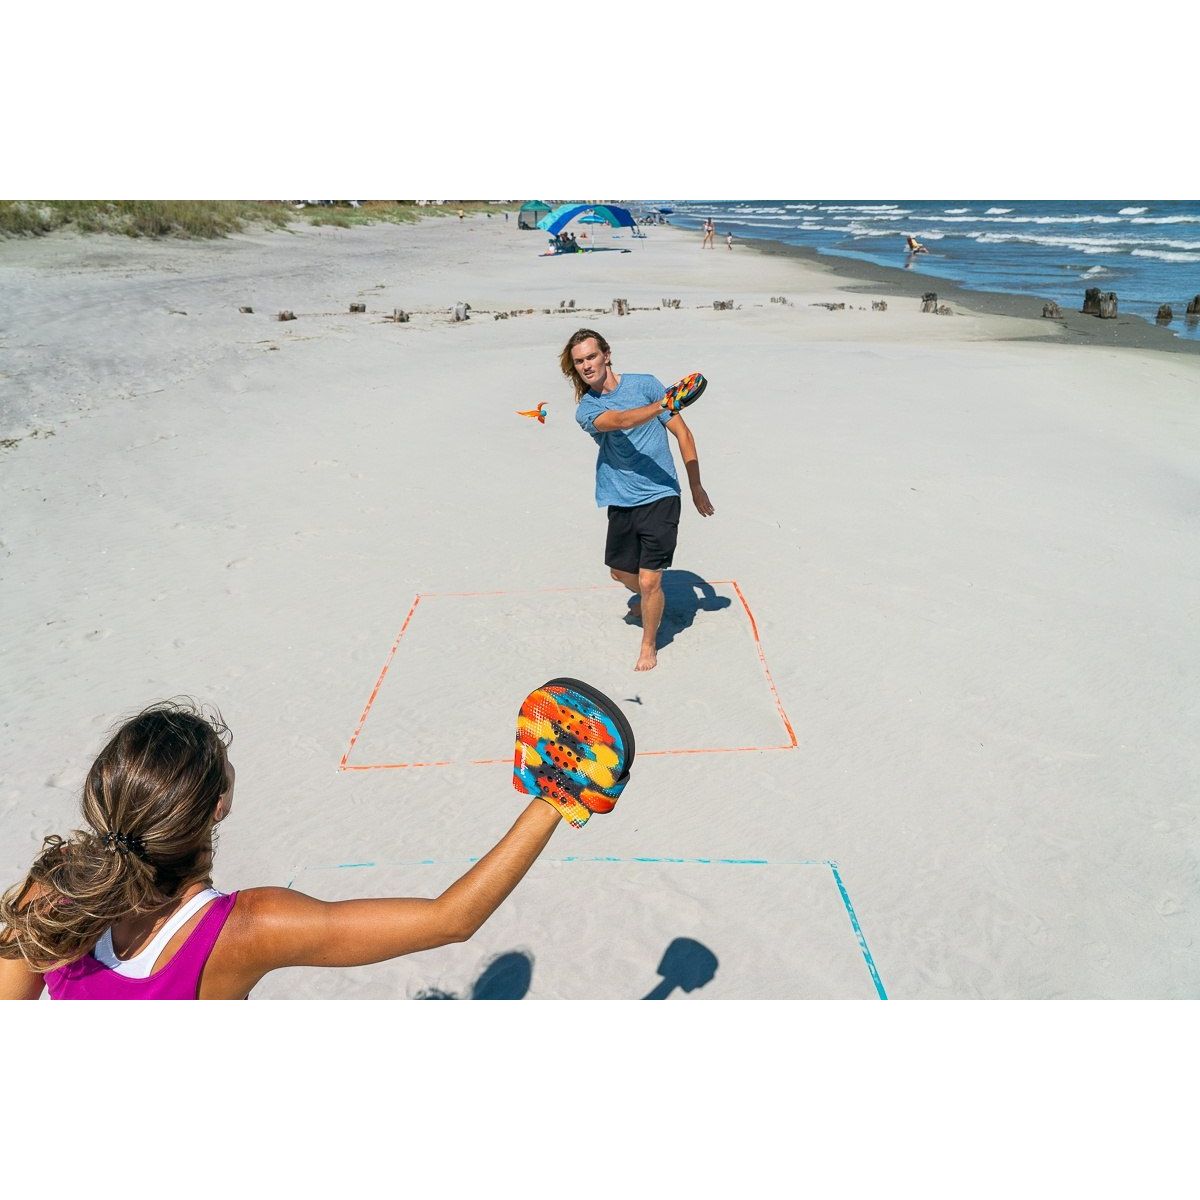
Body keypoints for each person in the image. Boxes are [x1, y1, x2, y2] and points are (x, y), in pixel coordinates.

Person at [0, 701, 576, 1000]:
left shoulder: (47, 891)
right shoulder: (246, 928)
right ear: (218, 804)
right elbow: (452, 918)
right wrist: (557, 796)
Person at [562, 329, 715, 672]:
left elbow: (682, 433)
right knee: (620, 573)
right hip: (620, 496)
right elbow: (621, 420)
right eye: (579, 361)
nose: (587, 365)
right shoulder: (587, 409)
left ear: (606, 354)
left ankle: (649, 643)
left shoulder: (645, 384)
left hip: (661, 494)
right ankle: (649, 599)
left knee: (649, 581)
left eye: (591, 356)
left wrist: (695, 486)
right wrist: (662, 403)